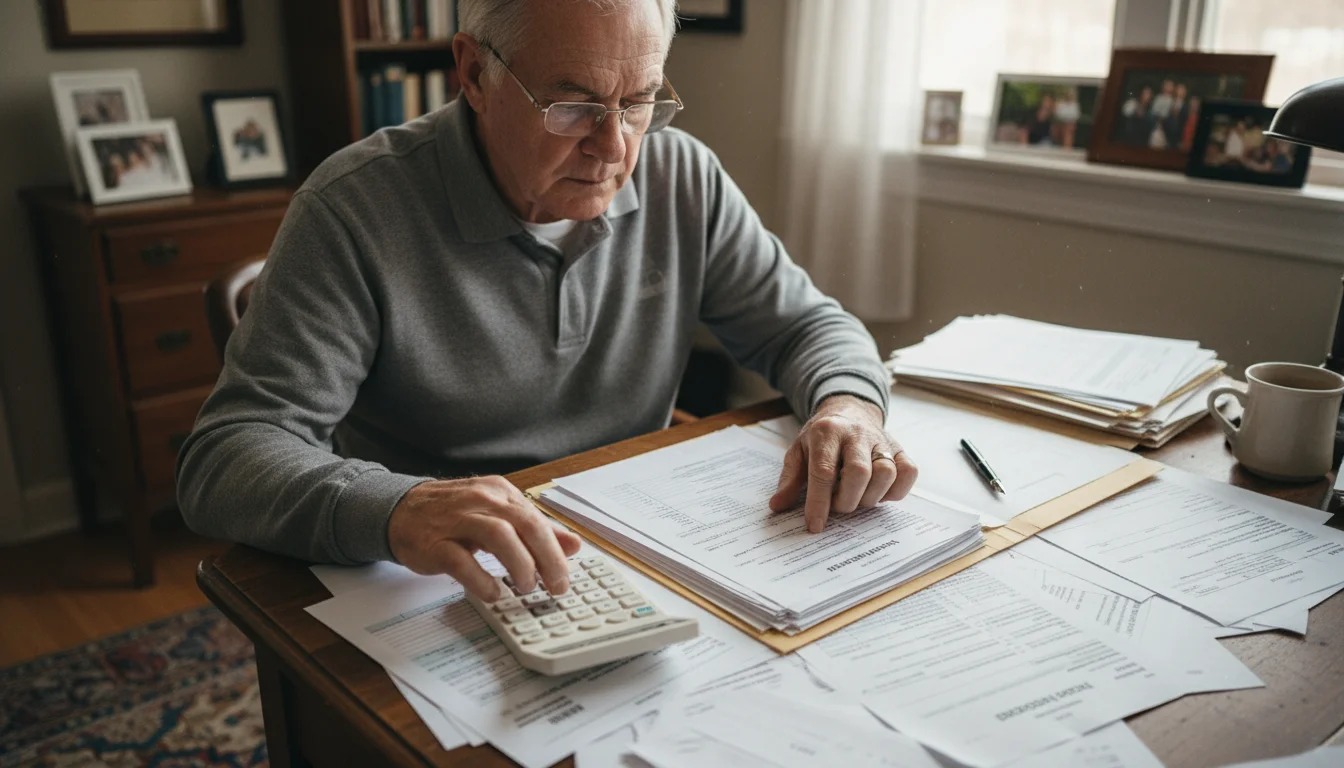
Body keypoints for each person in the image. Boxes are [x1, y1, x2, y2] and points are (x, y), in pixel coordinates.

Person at [176, 0, 917, 601]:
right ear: (472, 73)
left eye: (640, 102)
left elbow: (805, 325)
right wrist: (400, 508)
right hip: (432, 577)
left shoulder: (683, 177)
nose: (615, 147)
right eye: (572, 104)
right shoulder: (354, 209)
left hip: (642, 544)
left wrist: (849, 405)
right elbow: (225, 457)